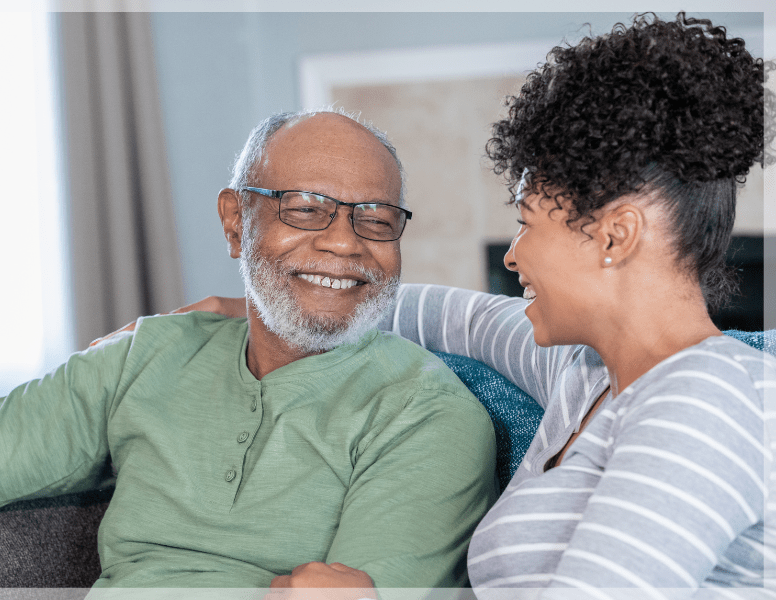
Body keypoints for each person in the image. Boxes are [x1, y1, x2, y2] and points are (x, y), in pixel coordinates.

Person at [138, 13, 775, 596]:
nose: (514, 256)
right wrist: (281, 301)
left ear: (615, 235)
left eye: (527, 223)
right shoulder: (585, 376)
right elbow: (450, 316)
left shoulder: (703, 399)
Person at [0, 109, 498, 598]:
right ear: (236, 222)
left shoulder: (427, 415)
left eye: (377, 219)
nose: (344, 242)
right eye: (306, 209)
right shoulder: (146, 356)